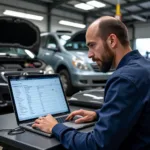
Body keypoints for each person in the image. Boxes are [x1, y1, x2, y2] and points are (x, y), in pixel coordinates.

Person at [32, 16, 150, 150]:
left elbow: (97, 145)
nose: (89, 55)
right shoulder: (144, 67)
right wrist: (98, 114)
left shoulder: (124, 79)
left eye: (92, 45)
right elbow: (136, 110)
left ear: (112, 40)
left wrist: (55, 127)